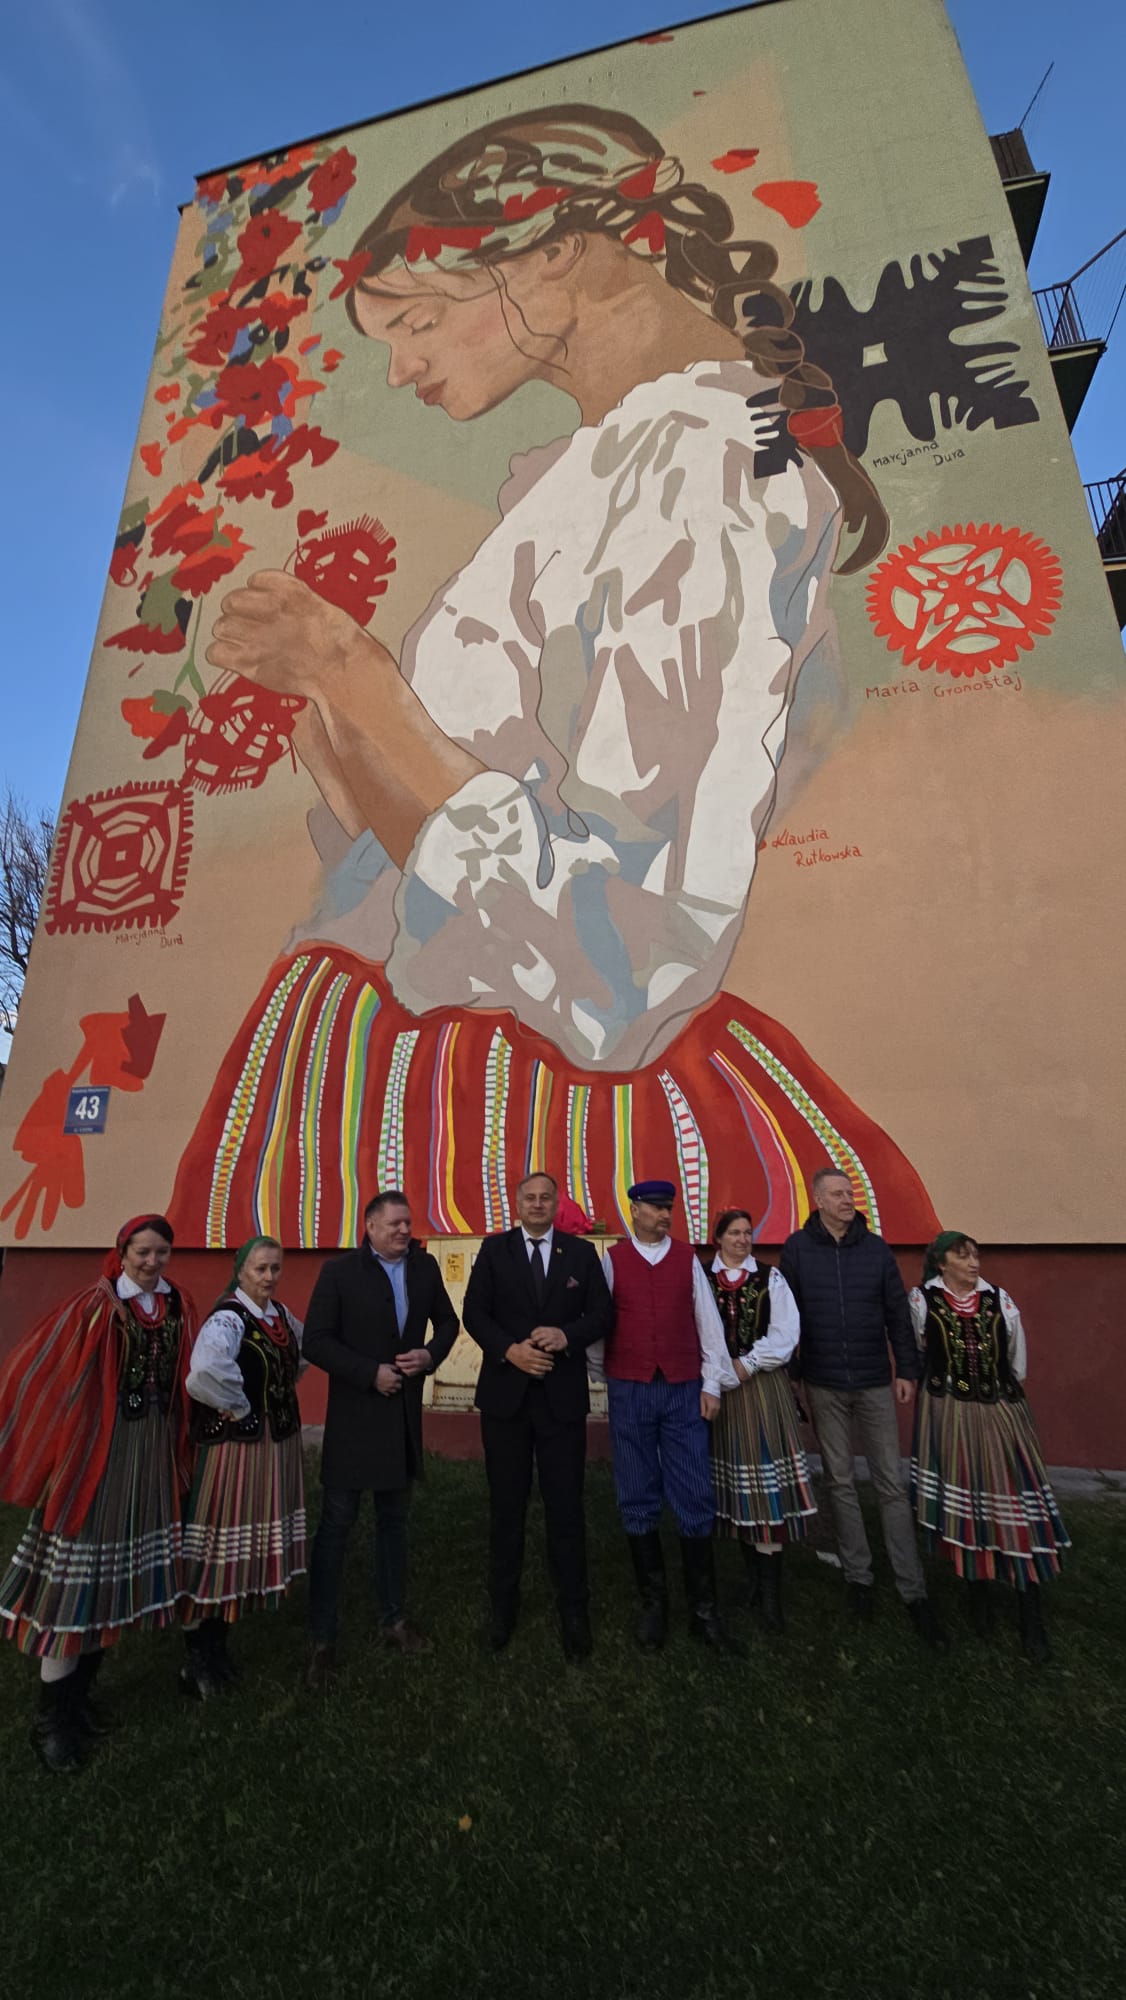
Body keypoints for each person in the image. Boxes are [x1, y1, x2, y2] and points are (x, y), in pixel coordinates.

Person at [169, 103, 940, 1253]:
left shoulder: (710, 467)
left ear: (559, 255)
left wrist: (357, 680)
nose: (401, 365)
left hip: (518, 1106)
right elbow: (443, 864)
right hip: (392, 1053)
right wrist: (349, 748)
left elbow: (629, 945)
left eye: (419, 319)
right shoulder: (594, 472)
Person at [0, 1215, 194, 1772]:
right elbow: (54, 1371)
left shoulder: (175, 1305)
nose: (152, 1262)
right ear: (123, 1251)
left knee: (112, 1584)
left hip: (147, 1460)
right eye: (143, 1252)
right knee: (75, 1585)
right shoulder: (97, 1306)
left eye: (161, 1252)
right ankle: (50, 1723)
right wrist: (69, 1445)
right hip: (98, 1461)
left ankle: (78, 1700)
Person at [780, 1167, 946, 1649]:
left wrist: (907, 1370)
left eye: (849, 1192)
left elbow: (897, 1312)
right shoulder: (797, 1249)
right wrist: (792, 1374)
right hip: (824, 1382)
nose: (846, 1199)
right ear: (817, 1201)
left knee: (891, 1482)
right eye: (836, 1194)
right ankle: (859, 1577)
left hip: (874, 1381)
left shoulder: (875, 1250)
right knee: (840, 1481)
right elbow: (787, 1314)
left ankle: (913, 1588)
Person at [301, 1191, 458, 1687]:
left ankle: (393, 1619)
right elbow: (316, 1341)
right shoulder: (339, 1272)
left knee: (394, 1523)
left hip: (401, 1422)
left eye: (407, 1222)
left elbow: (448, 1323)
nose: (404, 1230)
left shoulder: (424, 1268)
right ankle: (323, 1639)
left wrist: (429, 1356)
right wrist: (369, 1373)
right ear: (369, 1226)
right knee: (337, 1526)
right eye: (394, 1224)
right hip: (354, 1420)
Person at [461, 1170, 613, 1660]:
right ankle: (502, 1607)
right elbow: (474, 1313)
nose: (538, 1204)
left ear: (556, 1203)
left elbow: (603, 1314)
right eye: (530, 1197)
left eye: (547, 1197)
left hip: (561, 1400)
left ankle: (574, 1610)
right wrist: (510, 1351)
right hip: (506, 1399)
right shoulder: (494, 1250)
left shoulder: (581, 1254)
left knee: (565, 1507)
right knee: (506, 1506)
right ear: (518, 1203)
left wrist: (568, 1336)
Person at [593, 1178, 741, 1654]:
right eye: (656, 1208)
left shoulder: (686, 1260)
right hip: (630, 1387)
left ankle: (704, 1610)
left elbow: (708, 1324)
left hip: (681, 1387)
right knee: (636, 1488)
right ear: (635, 1210)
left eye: (668, 1208)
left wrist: (711, 1383)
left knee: (694, 1487)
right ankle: (654, 1604)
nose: (664, 1216)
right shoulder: (613, 1260)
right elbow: (600, 1324)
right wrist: (607, 1374)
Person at [909, 1231, 1069, 1662]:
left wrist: (998, 1392)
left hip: (999, 1411)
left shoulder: (1000, 1300)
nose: (973, 1262)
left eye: (975, 1255)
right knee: (968, 1501)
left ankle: (1030, 1614)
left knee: (1015, 1503)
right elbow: (920, 1351)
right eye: (963, 1256)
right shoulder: (923, 1300)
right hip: (949, 1412)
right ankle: (976, 1593)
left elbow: (1016, 1360)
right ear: (942, 1263)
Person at [179, 1235, 307, 1697]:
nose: (269, 1277)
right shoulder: (229, 1318)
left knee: (242, 1547)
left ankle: (217, 1648)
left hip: (272, 1444)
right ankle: (197, 1655)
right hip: (237, 1449)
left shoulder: (280, 1316)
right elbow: (203, 1373)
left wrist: (274, 1395)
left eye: (275, 1268)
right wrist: (239, 1405)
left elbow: (299, 1357)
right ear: (241, 1270)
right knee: (218, 1545)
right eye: (260, 1269)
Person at [704, 1208, 815, 1633]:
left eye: (747, 1233)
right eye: (734, 1233)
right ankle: (751, 1581)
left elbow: (786, 1334)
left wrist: (747, 1364)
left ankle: (770, 1596)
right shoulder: (703, 1277)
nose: (742, 1239)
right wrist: (718, 1373)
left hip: (762, 1390)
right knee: (736, 1489)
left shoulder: (771, 1278)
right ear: (718, 1238)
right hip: (719, 1392)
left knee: (764, 1488)